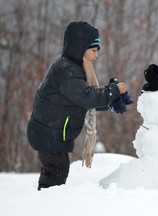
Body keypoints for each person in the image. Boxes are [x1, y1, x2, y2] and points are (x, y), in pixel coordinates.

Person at [27, 21, 131, 190]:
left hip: (52, 133)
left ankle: (47, 200)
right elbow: (86, 97)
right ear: (79, 47)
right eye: (93, 50)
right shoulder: (66, 70)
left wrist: (110, 102)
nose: (96, 55)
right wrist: (112, 91)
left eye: (97, 51)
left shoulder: (76, 68)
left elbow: (82, 100)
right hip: (49, 134)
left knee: (55, 172)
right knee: (56, 172)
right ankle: (47, 204)